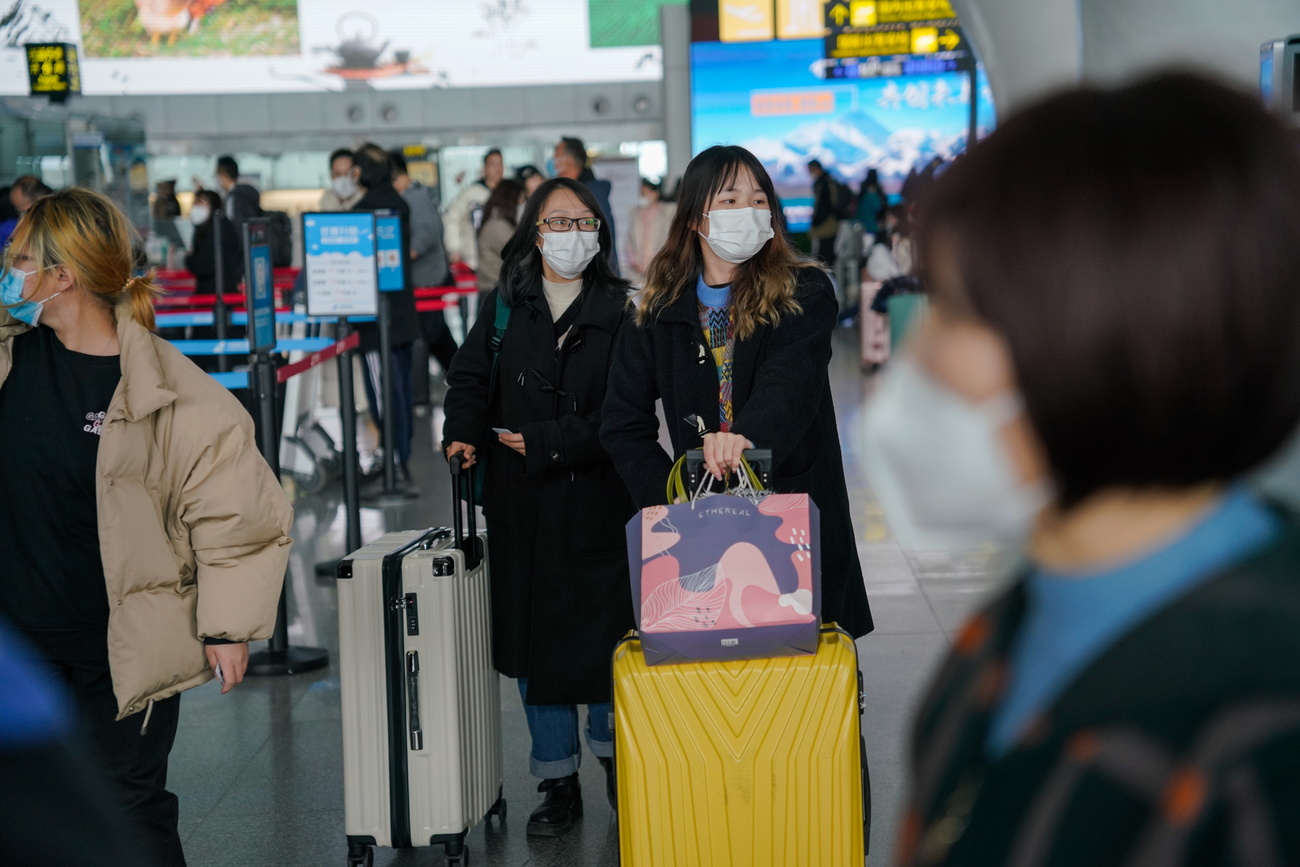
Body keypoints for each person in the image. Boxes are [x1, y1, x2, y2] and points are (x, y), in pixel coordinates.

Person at [870, 73, 1300, 866]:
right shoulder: (1003, 630)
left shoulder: (1268, 743)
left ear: (1101, 341)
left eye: (957, 314)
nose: (918, 353)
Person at [0, 188, 292, 866]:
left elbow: (233, 510)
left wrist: (227, 625)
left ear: (61, 275)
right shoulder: (12, 359)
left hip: (122, 644)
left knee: (129, 807)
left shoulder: (169, 388)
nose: (8, 271)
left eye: (18, 260)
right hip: (18, 642)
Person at [600, 145, 874, 642]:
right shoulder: (655, 311)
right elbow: (622, 423)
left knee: (806, 682)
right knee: (719, 685)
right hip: (698, 533)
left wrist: (744, 437)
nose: (747, 210)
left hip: (793, 513)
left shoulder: (804, 291)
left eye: (758, 199)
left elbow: (791, 384)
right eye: (729, 200)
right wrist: (673, 501)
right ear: (694, 219)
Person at [442, 177, 635, 837]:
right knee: (536, 653)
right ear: (533, 231)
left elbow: (625, 413)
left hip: (599, 509)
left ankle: (618, 765)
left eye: (584, 221)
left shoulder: (623, 311)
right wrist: (461, 431)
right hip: (521, 507)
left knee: (609, 648)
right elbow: (470, 378)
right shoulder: (505, 307)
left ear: (602, 231)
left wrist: (548, 440)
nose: (571, 233)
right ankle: (556, 779)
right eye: (557, 221)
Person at [350, 143, 420, 481]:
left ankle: (393, 459)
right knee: (401, 388)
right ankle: (402, 454)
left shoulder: (361, 212)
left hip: (374, 321)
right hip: (403, 314)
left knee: (383, 390)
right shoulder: (399, 205)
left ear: (360, 172)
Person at [389, 149, 457, 374]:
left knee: (432, 334)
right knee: (435, 333)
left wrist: (406, 254)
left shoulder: (413, 197)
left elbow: (427, 232)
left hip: (426, 278)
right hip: (429, 276)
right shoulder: (417, 193)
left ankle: (461, 377)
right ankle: (461, 376)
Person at [553, 136, 620, 275]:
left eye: (556, 156)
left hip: (595, 277)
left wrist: (610, 281)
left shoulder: (592, 194)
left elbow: (605, 239)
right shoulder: (568, 191)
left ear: (569, 160)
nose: (553, 162)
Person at [443, 148, 503, 270]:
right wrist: (454, 248)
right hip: (474, 261)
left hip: (501, 260)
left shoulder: (509, 194)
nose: (497, 168)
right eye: (493, 164)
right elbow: (451, 219)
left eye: (500, 164)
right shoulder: (470, 194)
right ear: (484, 169)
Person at [184, 189, 242, 297]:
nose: (196, 207)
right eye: (195, 203)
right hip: (225, 292)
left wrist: (189, 258)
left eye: (201, 202)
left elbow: (203, 266)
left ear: (213, 205)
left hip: (213, 295)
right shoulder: (222, 226)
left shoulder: (214, 231)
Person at [622, 177, 676, 288]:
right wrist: (633, 263)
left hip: (661, 271)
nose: (643, 197)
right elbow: (629, 242)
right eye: (641, 193)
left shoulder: (667, 214)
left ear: (656, 193)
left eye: (645, 193)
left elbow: (671, 241)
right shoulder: (635, 214)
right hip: (638, 273)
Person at [475, 178, 524, 295]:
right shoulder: (498, 226)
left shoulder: (498, 221)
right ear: (511, 200)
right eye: (521, 199)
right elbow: (520, 255)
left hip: (496, 288)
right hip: (495, 290)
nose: (523, 203)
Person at [864, 204, 913, 282]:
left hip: (901, 271)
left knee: (878, 250)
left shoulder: (903, 237)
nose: (888, 221)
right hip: (892, 272)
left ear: (897, 218)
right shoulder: (888, 234)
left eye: (890, 218)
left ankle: (899, 279)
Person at [212, 155, 260, 234]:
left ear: (223, 175)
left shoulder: (235, 197)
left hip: (240, 243)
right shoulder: (243, 193)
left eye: (217, 175)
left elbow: (237, 225)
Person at [806, 159, 838, 267]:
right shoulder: (829, 180)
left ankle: (825, 278)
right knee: (828, 254)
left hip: (825, 224)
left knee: (822, 256)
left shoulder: (822, 183)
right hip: (832, 223)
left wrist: (816, 222)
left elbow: (823, 205)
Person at [855, 169, 886, 238]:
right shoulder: (874, 191)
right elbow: (878, 206)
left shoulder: (863, 189)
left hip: (858, 225)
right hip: (871, 226)